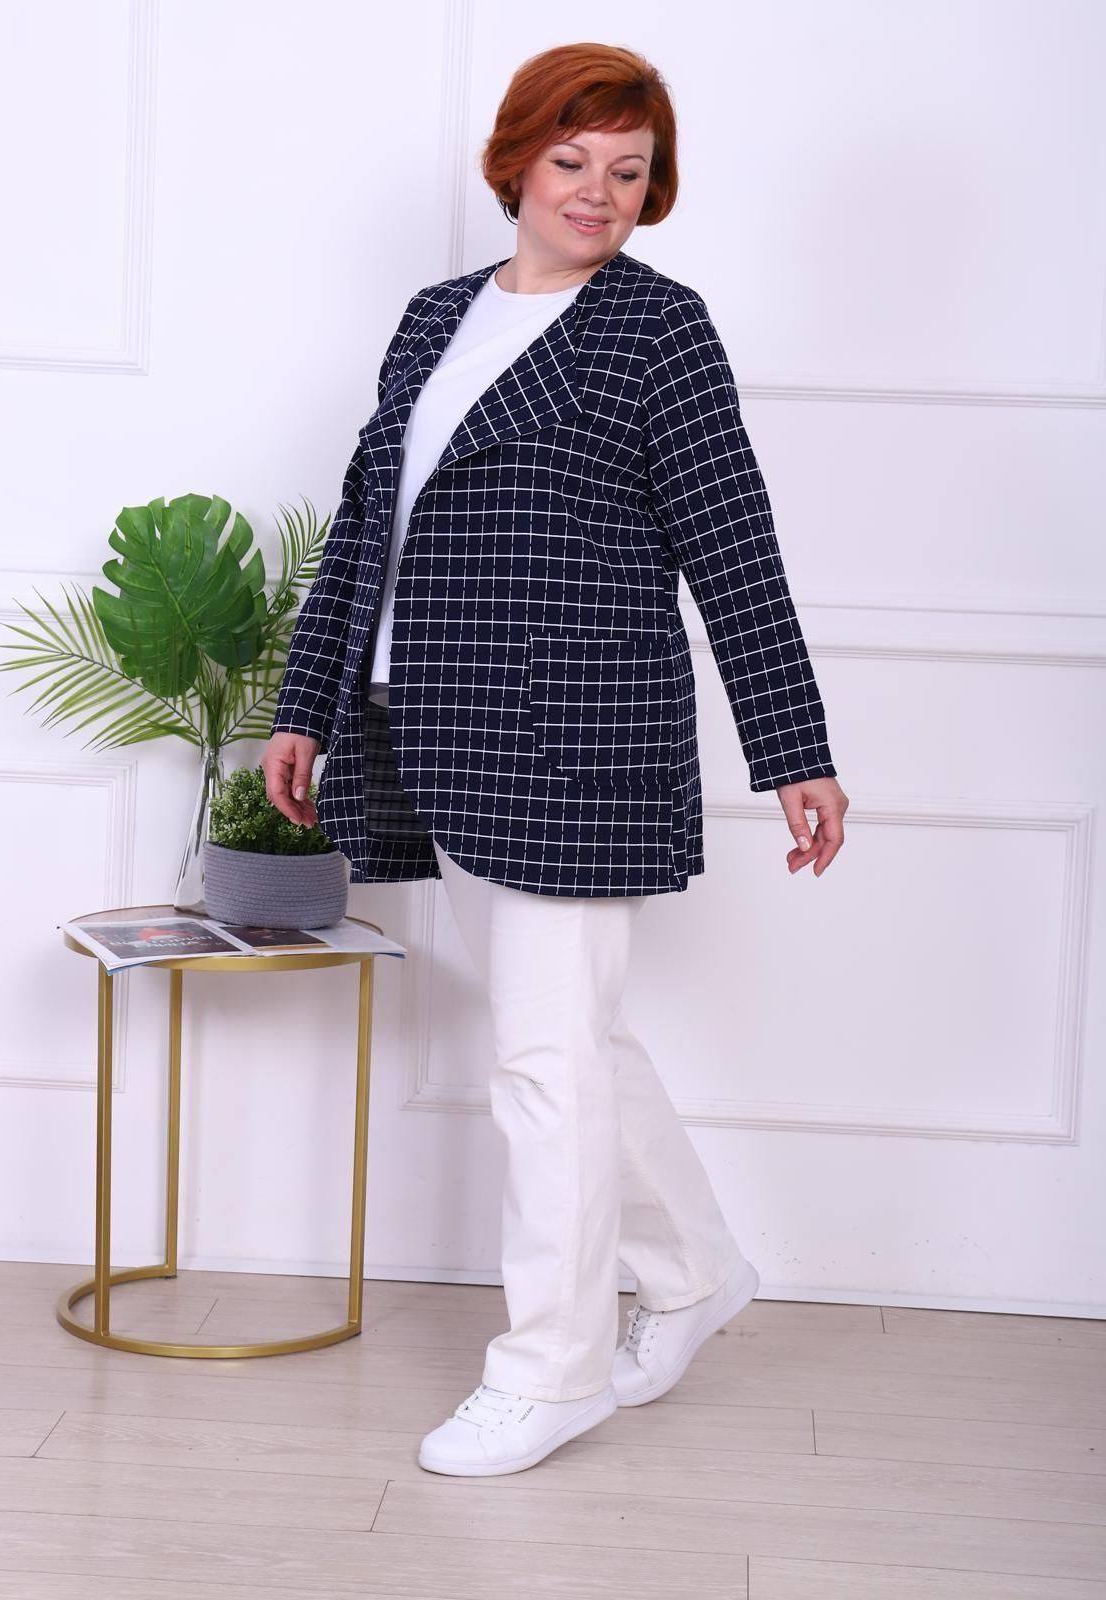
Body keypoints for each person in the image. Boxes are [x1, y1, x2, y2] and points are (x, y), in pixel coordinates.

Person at [263, 42, 848, 1478]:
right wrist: (307, 704)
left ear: (656, 188)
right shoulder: (435, 318)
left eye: (629, 170)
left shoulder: (658, 329)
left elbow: (734, 545)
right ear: (516, 161)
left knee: (545, 1063)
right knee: (568, 1045)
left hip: (577, 740)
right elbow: (369, 523)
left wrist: (794, 749)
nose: (598, 191)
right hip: (430, 730)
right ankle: (695, 1272)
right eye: (573, 159)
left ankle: (551, 1370)